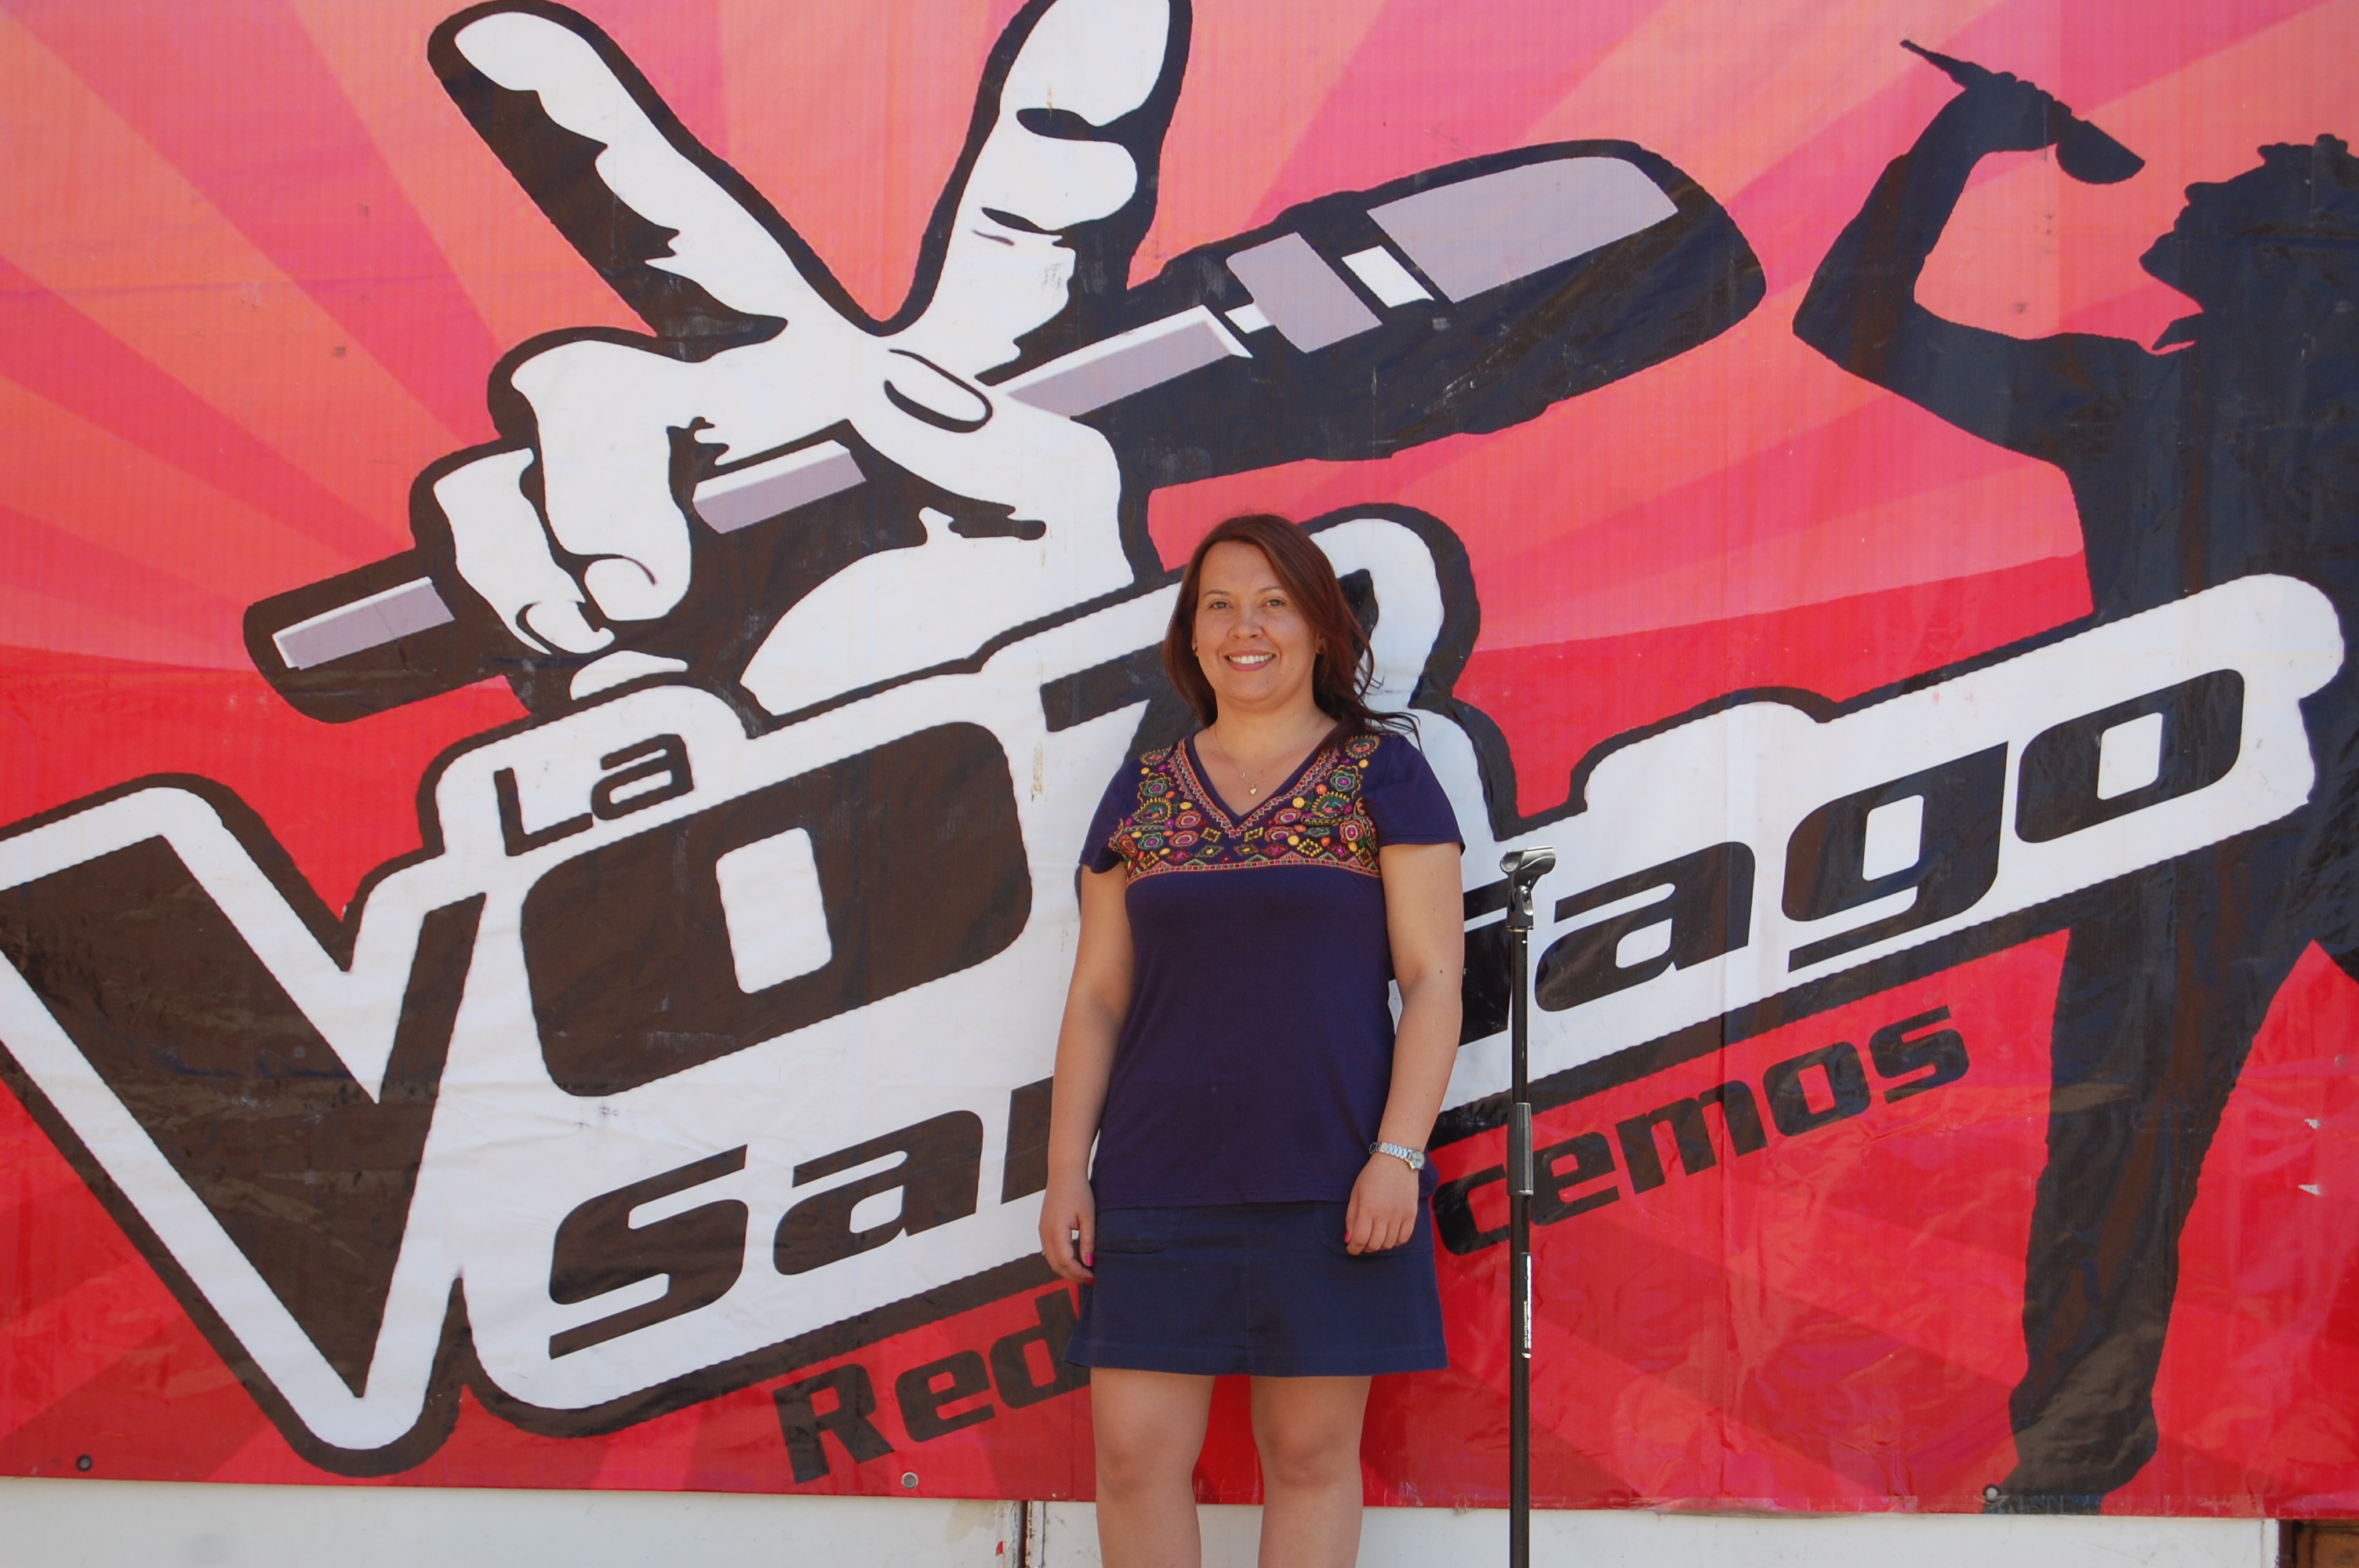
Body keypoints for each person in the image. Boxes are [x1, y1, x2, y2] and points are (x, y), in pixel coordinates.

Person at [1794, 63, 2359, 1510]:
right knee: (2116, 1148)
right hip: (2197, 822)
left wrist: (1967, 136)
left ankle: (2069, 1461)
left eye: (2240, 197)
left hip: (2212, 819)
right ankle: (2067, 1464)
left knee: (2117, 1149)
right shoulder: (2133, 403)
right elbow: (1849, 324)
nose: (2199, 190)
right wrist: (1959, 136)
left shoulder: (2134, 400)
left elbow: (1852, 318)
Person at [1038, 514, 1467, 1568]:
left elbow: (1434, 979)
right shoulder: (1142, 791)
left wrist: (1398, 1154)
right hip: (1155, 1178)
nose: (1247, 628)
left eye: (1275, 603)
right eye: (1221, 605)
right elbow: (1097, 997)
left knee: (1311, 1457)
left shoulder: (1383, 775)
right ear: (1190, 635)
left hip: (1333, 1178)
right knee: (1133, 1457)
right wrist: (1065, 1172)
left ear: (1321, 627)